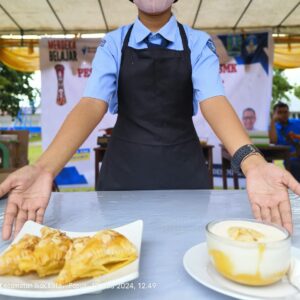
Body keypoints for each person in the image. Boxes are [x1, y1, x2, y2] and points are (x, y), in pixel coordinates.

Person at [0, 0, 299, 241]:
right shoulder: (113, 43)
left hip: (184, 175)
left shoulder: (197, 43)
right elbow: (91, 104)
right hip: (122, 177)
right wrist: (43, 169)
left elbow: (214, 101)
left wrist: (254, 163)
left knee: (185, 252)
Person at [269, 102, 300, 182]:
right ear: (274, 114)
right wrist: (273, 121)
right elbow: (273, 140)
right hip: (291, 158)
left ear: (289, 113)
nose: (283, 114)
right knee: (294, 165)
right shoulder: (273, 127)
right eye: (279, 112)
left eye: (285, 112)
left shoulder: (297, 122)